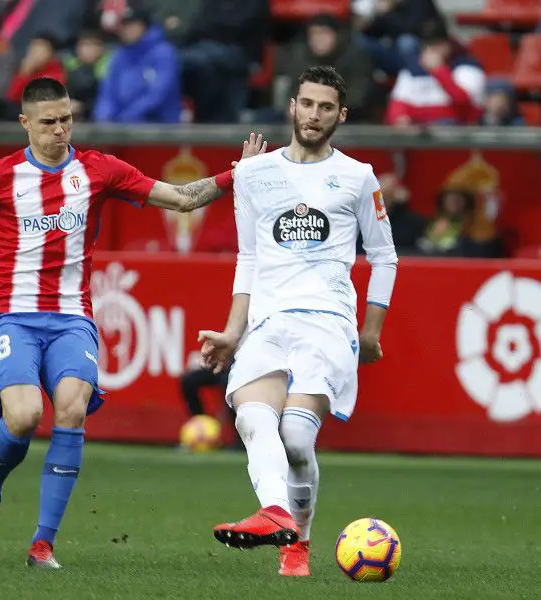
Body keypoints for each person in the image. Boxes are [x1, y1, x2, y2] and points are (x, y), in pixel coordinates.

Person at [0, 77, 265, 570]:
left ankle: (42, 544)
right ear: (25, 123)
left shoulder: (98, 170)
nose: (59, 130)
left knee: (71, 408)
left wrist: (234, 176)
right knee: (25, 416)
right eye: (48, 122)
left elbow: (181, 198)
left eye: (66, 120)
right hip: (10, 315)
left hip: (72, 318)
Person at [198, 66, 398, 577]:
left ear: (341, 115)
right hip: (267, 320)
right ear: (291, 106)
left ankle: (298, 540)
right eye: (306, 104)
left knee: (295, 440)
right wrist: (231, 330)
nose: (314, 115)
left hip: (328, 321)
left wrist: (370, 331)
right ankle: (277, 516)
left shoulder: (358, 176)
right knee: (251, 417)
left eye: (326, 107)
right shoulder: (253, 172)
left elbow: (384, 256)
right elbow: (248, 257)